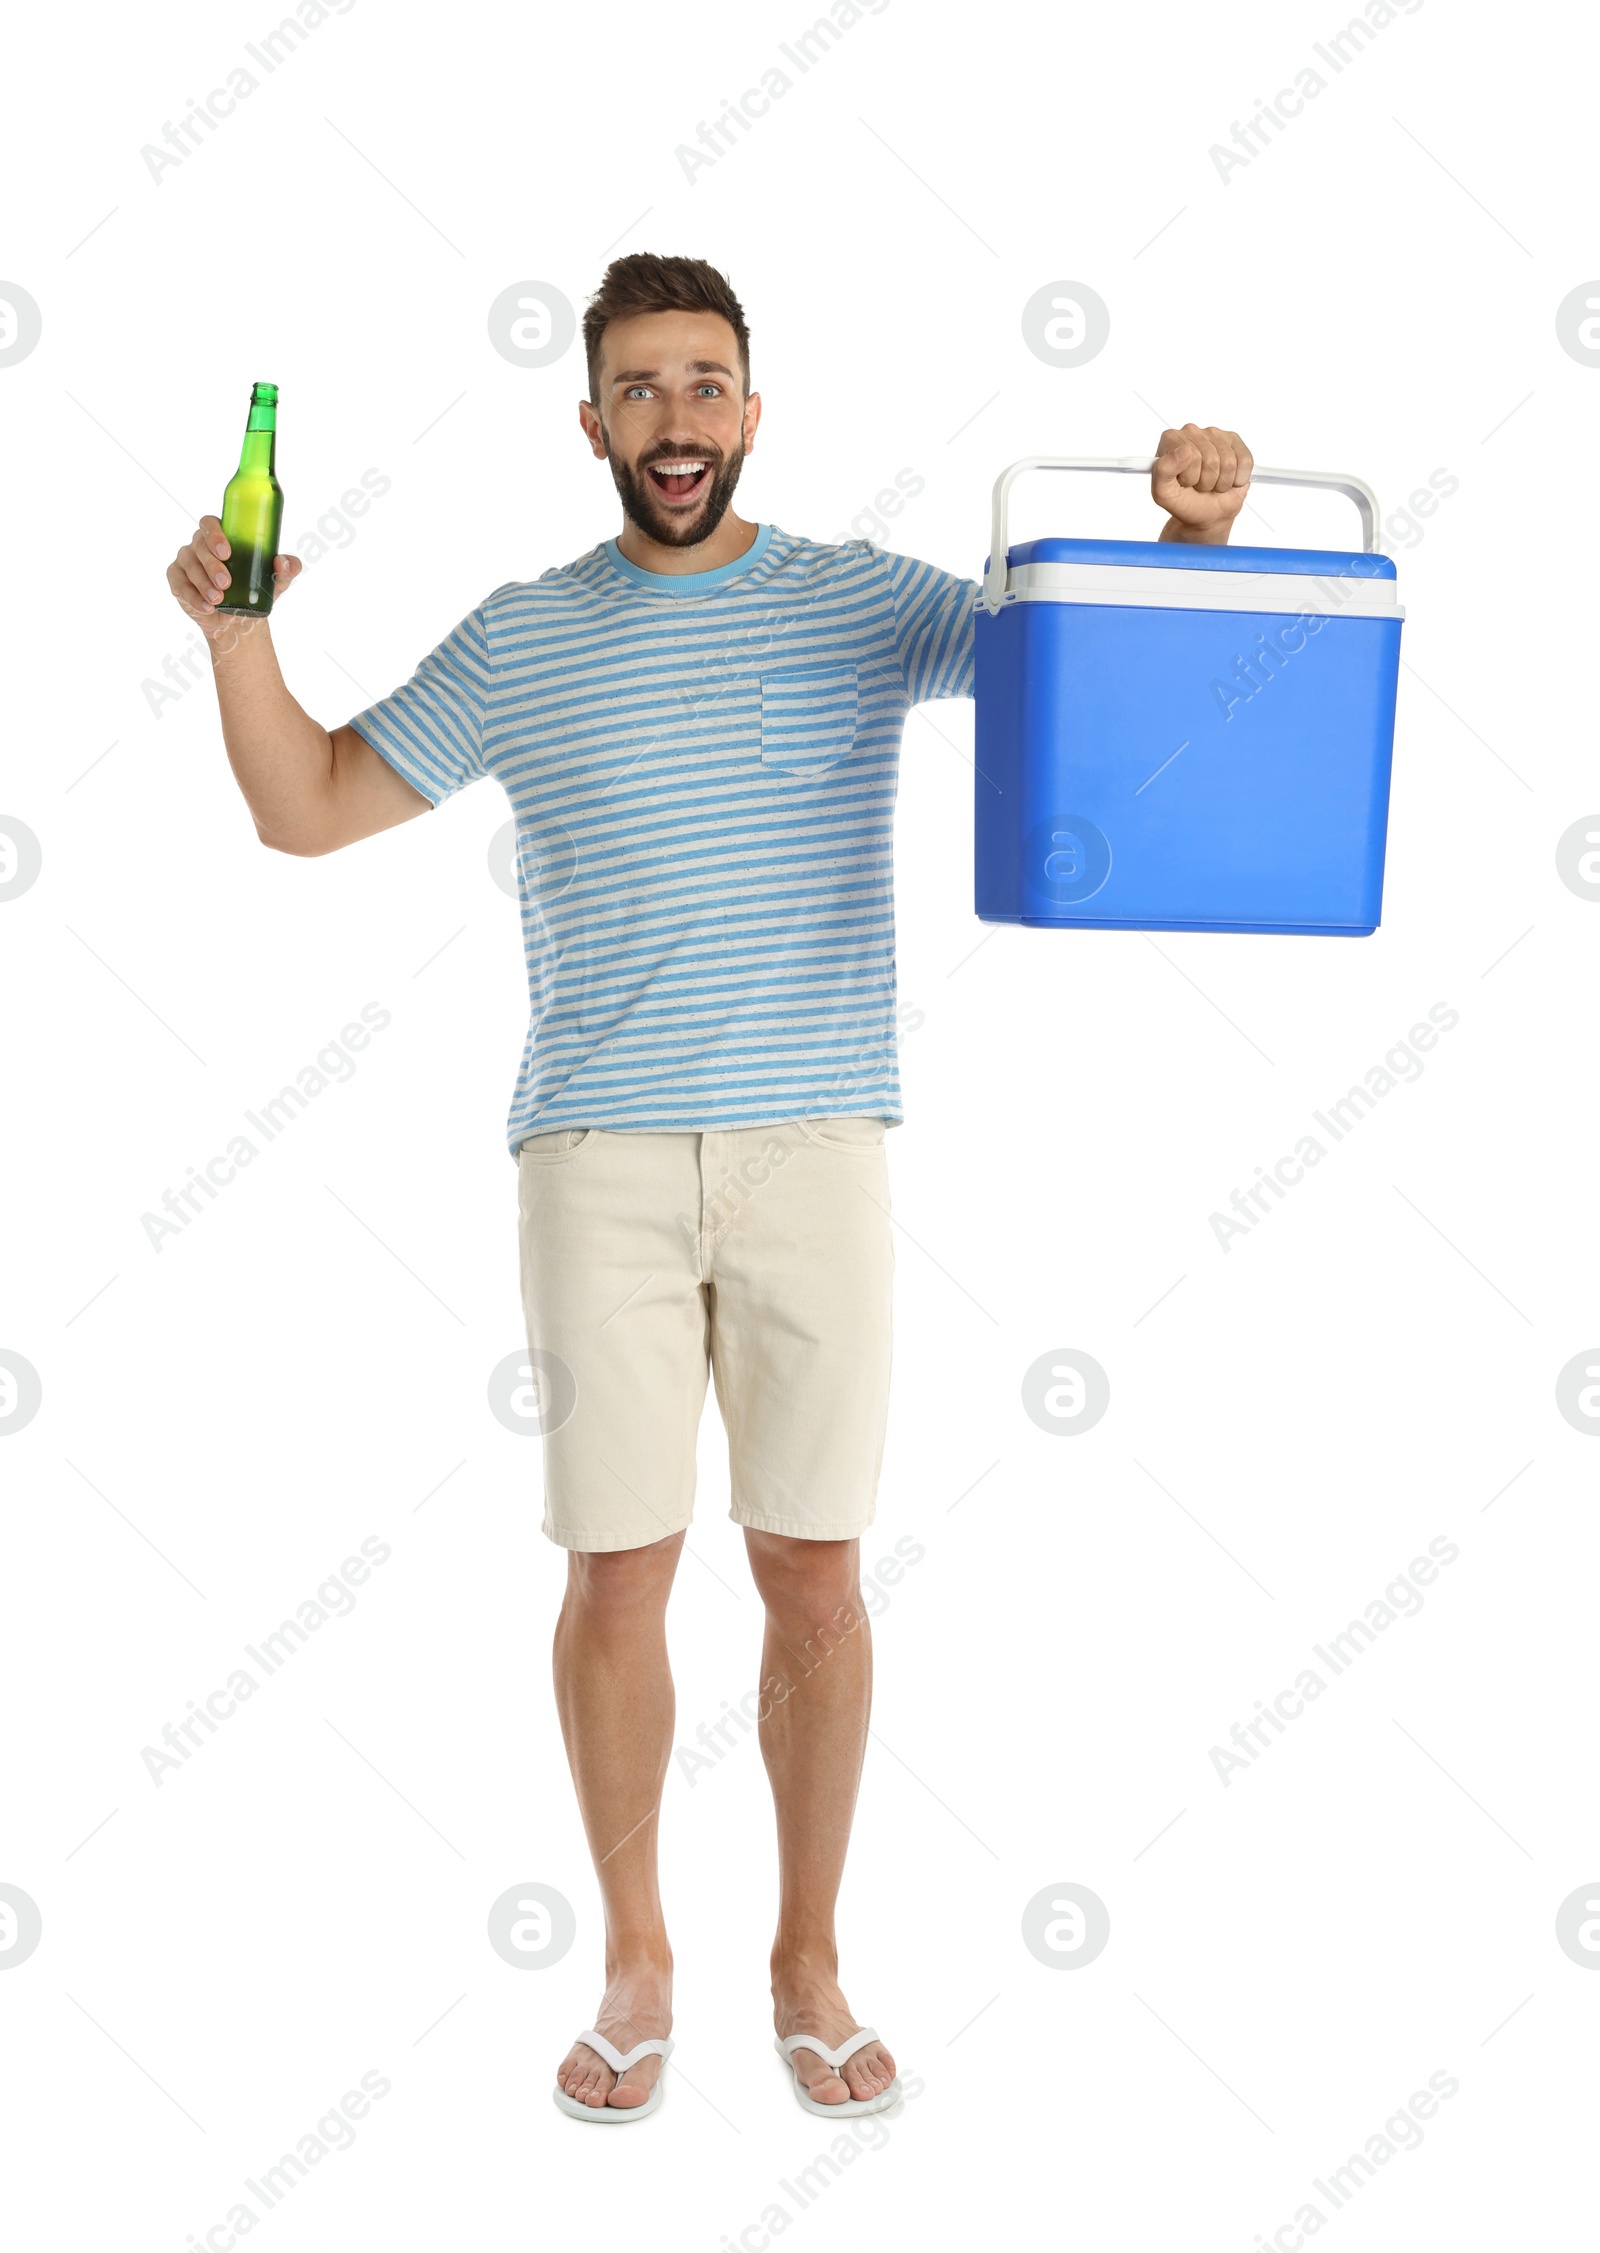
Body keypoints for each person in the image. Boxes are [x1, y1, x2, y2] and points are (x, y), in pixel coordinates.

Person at [167, 253, 1253, 2121]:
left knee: (816, 1575)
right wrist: (235, 635)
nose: (677, 419)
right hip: (593, 1155)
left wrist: (1190, 529)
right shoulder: (527, 637)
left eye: (707, 382)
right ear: (591, 424)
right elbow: (309, 806)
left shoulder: (864, 606)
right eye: (641, 390)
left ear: (756, 410)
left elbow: (1099, 675)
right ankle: (638, 1951)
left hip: (819, 1143)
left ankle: (807, 1956)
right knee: (617, 1574)